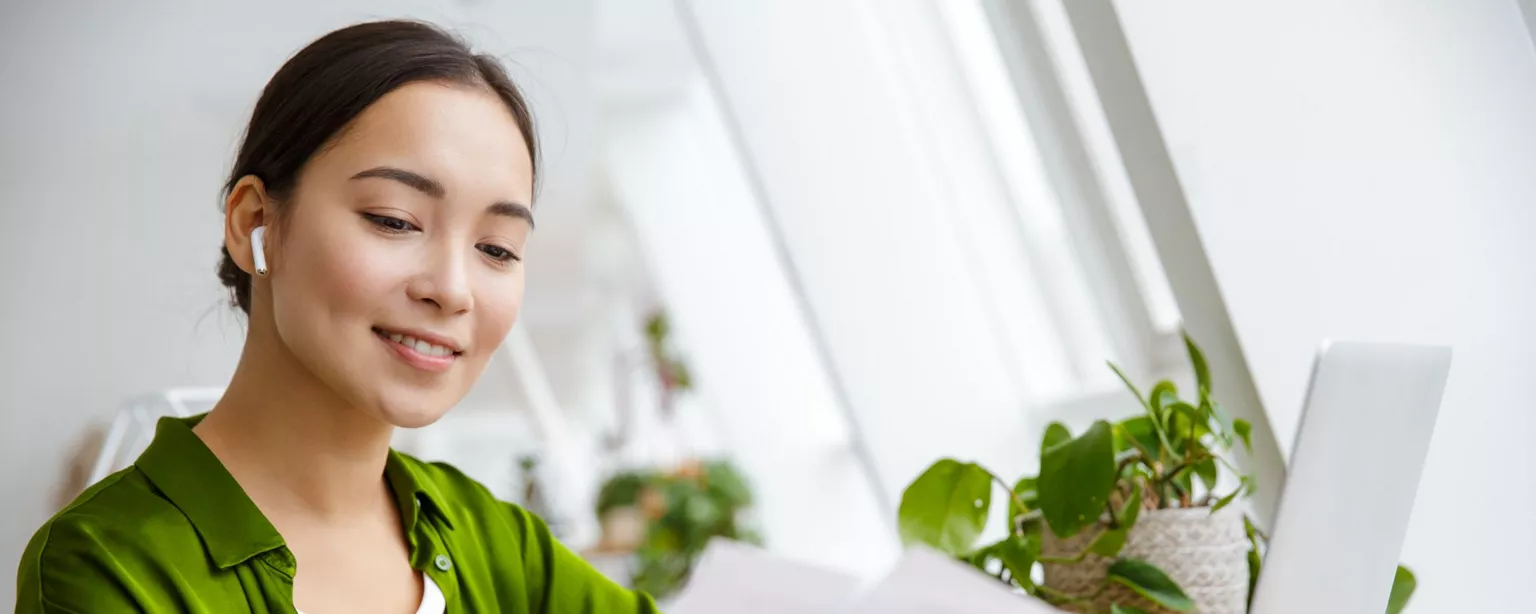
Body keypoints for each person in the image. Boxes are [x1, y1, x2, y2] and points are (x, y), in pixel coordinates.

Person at [15, 20, 659, 614]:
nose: (453, 290)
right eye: (395, 220)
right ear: (254, 223)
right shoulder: (111, 567)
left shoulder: (495, 540)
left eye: (496, 249)